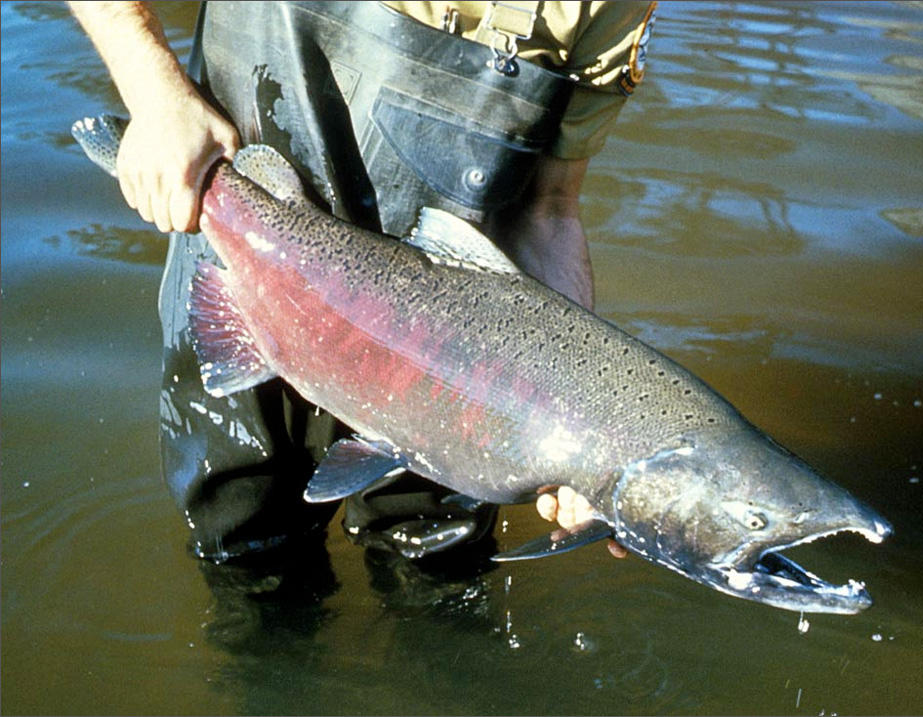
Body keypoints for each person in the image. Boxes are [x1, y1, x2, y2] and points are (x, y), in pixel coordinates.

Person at [68, 0, 653, 567]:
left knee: (436, 581)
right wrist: (154, 93)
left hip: (448, 362)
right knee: (247, 555)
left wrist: (580, 419)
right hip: (250, 264)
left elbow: (548, 210)